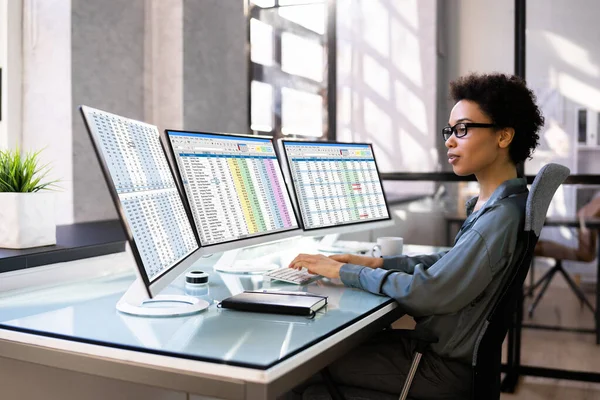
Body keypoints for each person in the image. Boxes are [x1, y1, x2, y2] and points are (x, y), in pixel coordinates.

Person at [288, 73, 544, 399]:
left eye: (463, 129)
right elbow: (450, 264)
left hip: (436, 366)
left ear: (504, 136)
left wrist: (344, 272)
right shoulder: (504, 206)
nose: (450, 140)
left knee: (300, 366)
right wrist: (376, 261)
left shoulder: (498, 219)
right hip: (442, 357)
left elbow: (429, 292)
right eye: (449, 131)